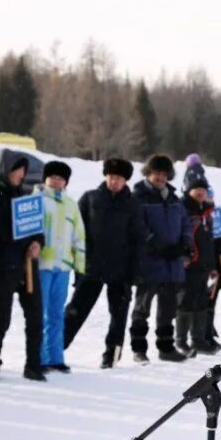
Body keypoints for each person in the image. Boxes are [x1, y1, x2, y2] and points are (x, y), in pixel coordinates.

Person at [64, 158, 143, 369]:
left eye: (119, 178)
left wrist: (134, 273)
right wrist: (78, 266)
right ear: (106, 176)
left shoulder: (133, 204)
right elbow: (77, 233)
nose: (114, 181)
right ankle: (57, 348)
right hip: (92, 267)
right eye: (111, 177)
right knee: (76, 310)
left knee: (118, 315)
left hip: (121, 270)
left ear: (125, 181)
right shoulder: (90, 198)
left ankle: (112, 355)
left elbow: (138, 239)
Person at [0, 155, 45, 382]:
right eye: (15, 170)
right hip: (3, 265)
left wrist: (37, 243)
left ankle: (33, 365)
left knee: (35, 315)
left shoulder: (25, 194)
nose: (19, 175)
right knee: (0, 317)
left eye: (22, 170)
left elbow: (36, 227)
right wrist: (21, 241)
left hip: (27, 265)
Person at [129, 154, 192, 364]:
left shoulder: (174, 198)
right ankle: (139, 349)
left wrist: (184, 244)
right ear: (148, 172)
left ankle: (166, 347)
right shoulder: (139, 196)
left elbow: (185, 223)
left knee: (168, 309)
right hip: (149, 263)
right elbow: (137, 226)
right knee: (142, 308)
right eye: (156, 173)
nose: (160, 177)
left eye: (164, 174)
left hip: (172, 265)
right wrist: (154, 244)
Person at [36, 160, 84, 373]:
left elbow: (79, 236)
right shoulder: (36, 199)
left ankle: (55, 357)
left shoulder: (71, 204)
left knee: (56, 314)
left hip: (62, 267)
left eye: (61, 178)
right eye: (53, 176)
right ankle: (37, 357)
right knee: (39, 313)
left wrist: (79, 267)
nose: (56, 181)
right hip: (42, 265)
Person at [175, 177, 218, 356]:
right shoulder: (182, 209)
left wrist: (212, 265)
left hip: (203, 266)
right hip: (187, 264)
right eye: (196, 189)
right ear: (189, 191)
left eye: (203, 189)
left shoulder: (207, 213)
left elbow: (210, 242)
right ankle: (181, 341)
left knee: (201, 301)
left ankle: (198, 339)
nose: (200, 192)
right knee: (184, 302)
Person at [204, 186, 221, 352]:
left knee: (211, 301)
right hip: (200, 264)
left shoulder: (217, 215)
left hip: (216, 262)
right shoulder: (193, 213)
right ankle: (201, 333)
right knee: (199, 302)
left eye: (209, 197)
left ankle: (208, 332)